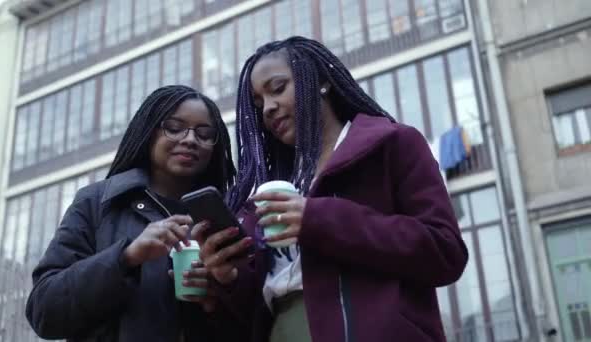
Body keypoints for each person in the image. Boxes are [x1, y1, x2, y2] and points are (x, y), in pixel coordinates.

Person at [194, 37, 469, 342]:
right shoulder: (267, 194)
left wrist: (318, 218)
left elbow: (445, 252)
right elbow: (265, 301)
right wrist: (228, 280)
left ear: (321, 82)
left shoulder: (394, 145)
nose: (268, 109)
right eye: (259, 104)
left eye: (278, 88)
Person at [26, 85, 243, 341]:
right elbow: (44, 310)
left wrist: (216, 297)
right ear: (148, 131)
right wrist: (126, 257)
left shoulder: (226, 217)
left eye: (205, 133)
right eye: (174, 128)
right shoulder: (97, 202)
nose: (190, 139)